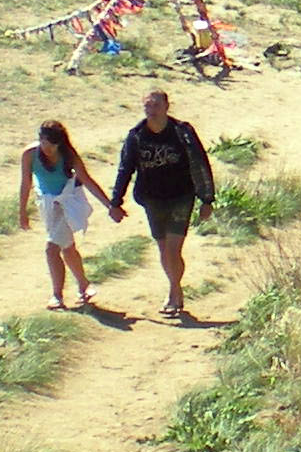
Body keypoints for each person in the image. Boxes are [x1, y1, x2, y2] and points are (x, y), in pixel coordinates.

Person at [107, 88, 215, 320]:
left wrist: (207, 198)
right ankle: (176, 289)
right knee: (164, 250)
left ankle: (174, 293)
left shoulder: (182, 132)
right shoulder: (136, 136)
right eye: (147, 105)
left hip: (181, 196)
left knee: (173, 250)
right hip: (152, 198)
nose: (151, 110)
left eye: (156, 105)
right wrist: (115, 201)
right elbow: (125, 168)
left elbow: (200, 162)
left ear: (167, 107)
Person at [17, 118, 114, 309]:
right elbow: (25, 183)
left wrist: (109, 205)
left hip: (69, 201)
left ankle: (57, 295)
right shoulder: (29, 154)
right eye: (43, 142)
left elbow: (87, 180)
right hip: (47, 204)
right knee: (67, 248)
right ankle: (84, 285)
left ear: (59, 143)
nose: (47, 148)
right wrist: (22, 211)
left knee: (51, 248)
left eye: (51, 144)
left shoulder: (68, 155)